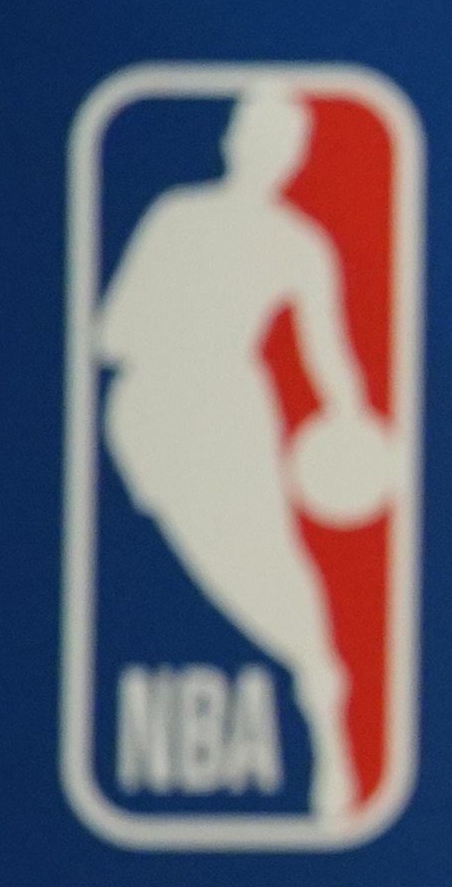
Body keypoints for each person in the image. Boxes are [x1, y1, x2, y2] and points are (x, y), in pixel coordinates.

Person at [95, 83, 385, 828]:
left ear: (295, 157)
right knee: (172, 572)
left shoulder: (301, 245)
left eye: (282, 142)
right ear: (232, 142)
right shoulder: (176, 217)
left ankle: (328, 731)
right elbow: (111, 333)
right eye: (255, 135)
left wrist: (352, 426)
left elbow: (332, 359)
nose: (267, 153)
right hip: (150, 418)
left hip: (232, 414)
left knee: (277, 574)